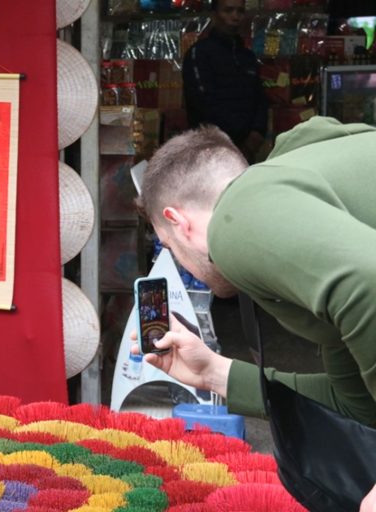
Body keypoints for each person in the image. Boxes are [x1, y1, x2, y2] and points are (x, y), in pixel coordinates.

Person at [133, 115, 376, 507]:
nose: (179, 261)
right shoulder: (302, 196)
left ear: (178, 222)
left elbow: (370, 283)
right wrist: (214, 373)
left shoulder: (234, 220)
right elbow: (359, 406)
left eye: (168, 246)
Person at [182, 0, 268, 163]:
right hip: (210, 151)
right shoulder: (199, 53)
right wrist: (235, 142)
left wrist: (255, 136)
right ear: (214, 15)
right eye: (228, 10)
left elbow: (260, 100)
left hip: (247, 151)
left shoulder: (247, 57)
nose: (235, 16)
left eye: (240, 11)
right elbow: (203, 103)